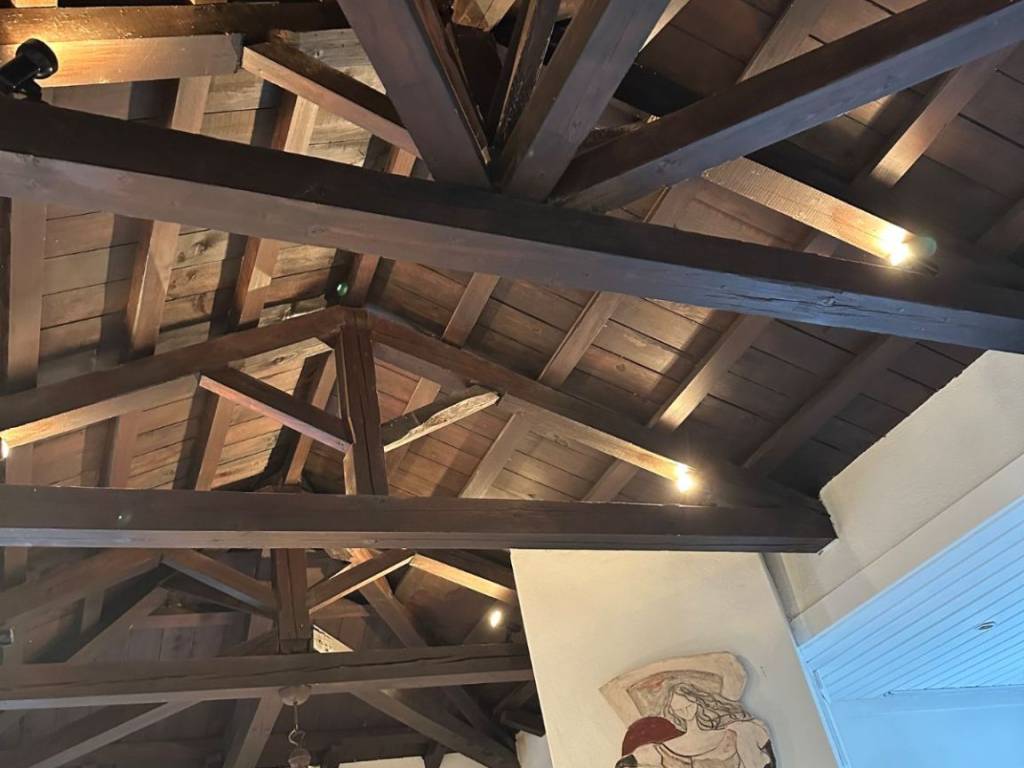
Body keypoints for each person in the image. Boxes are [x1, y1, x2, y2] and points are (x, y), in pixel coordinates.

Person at [615, 683, 774, 768]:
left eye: (688, 705)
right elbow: (631, 761)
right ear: (673, 711)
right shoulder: (665, 749)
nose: (685, 710)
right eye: (679, 708)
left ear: (698, 703)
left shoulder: (735, 733)